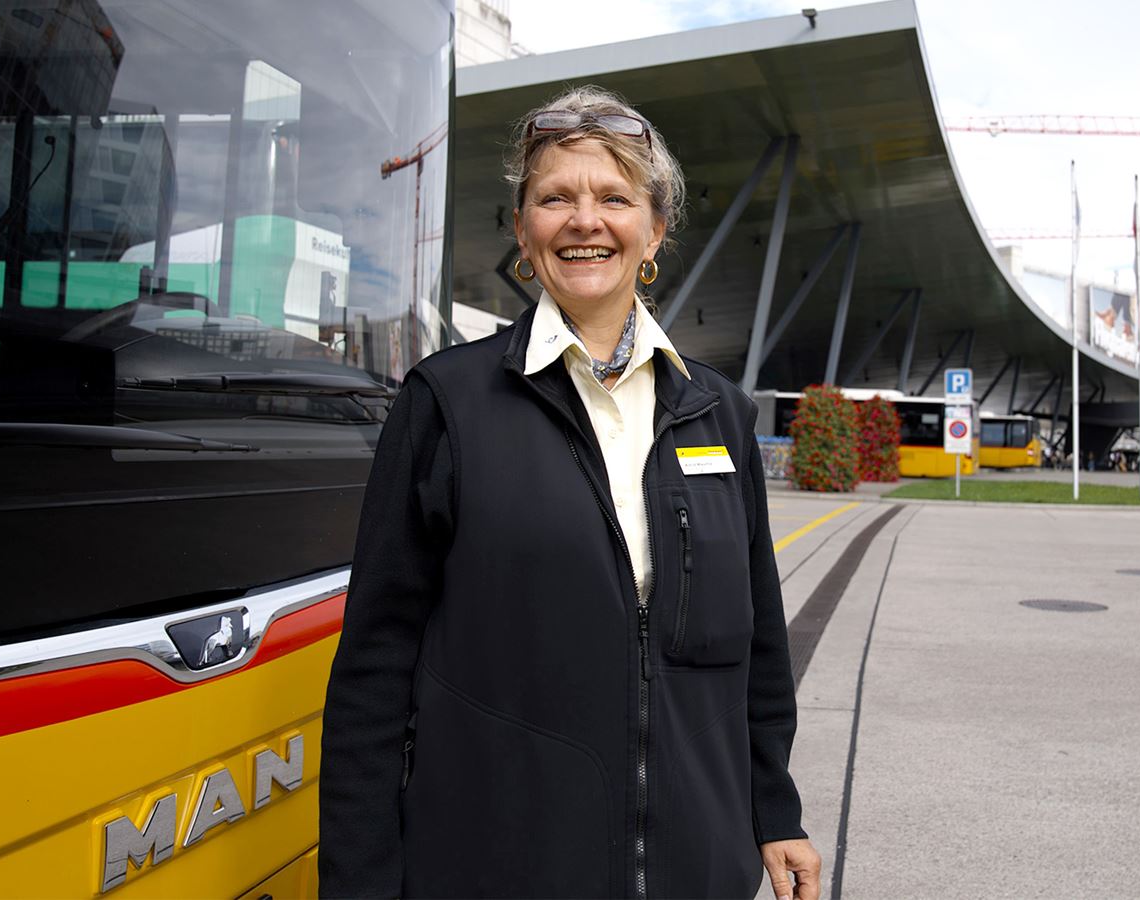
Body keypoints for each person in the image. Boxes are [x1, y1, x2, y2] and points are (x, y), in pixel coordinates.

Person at [320, 87, 819, 899]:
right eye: (555, 197)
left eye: (614, 198)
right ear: (523, 231)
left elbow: (757, 643)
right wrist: (360, 882)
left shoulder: (718, 413)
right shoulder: (447, 402)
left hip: (695, 867)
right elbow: (373, 671)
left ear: (654, 229)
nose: (585, 220)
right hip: (495, 866)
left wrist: (775, 808)